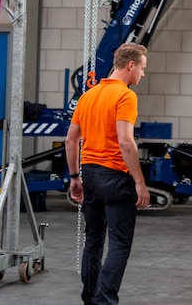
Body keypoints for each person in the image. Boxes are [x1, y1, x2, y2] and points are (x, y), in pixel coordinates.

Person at [65, 42, 152, 305]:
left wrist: (74, 177)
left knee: (93, 241)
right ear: (130, 65)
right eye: (142, 68)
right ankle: (105, 301)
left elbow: (71, 140)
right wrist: (140, 182)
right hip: (115, 176)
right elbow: (126, 141)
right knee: (119, 244)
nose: (142, 75)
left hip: (90, 175)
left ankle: (90, 299)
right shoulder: (125, 96)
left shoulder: (87, 96)